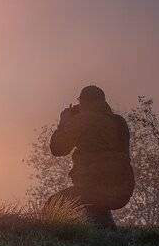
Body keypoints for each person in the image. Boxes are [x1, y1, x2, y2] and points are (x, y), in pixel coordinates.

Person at [45, 85, 134, 227]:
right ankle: (110, 238)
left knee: (53, 204)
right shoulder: (118, 122)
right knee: (96, 205)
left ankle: (64, 240)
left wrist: (64, 123)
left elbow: (58, 149)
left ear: (83, 102)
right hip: (122, 189)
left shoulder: (83, 120)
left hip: (95, 187)